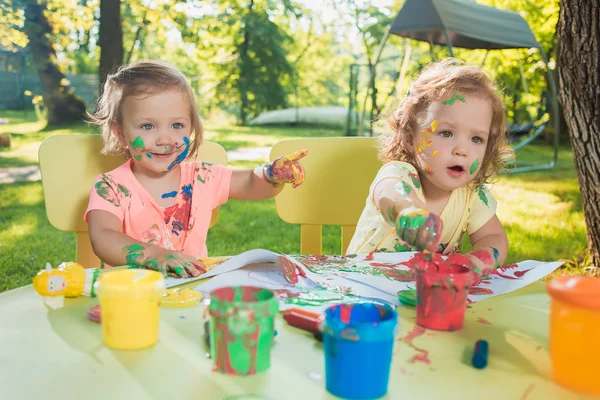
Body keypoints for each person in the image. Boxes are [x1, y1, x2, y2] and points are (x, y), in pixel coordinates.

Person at [86, 61, 306, 278]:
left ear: (192, 126)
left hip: (193, 293)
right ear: (120, 133)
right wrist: (153, 253)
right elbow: (103, 237)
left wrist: (271, 174)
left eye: (177, 126)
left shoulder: (202, 178)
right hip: (133, 295)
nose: (165, 139)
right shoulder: (111, 187)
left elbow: (251, 184)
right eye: (147, 126)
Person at [347, 58, 513, 278]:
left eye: (476, 139)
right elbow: (389, 194)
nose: (462, 150)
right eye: (446, 133)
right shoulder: (399, 174)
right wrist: (408, 212)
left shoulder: (473, 196)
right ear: (410, 139)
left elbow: (494, 238)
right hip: (365, 286)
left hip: (426, 295)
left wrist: (473, 262)